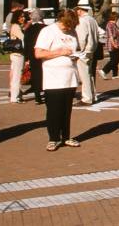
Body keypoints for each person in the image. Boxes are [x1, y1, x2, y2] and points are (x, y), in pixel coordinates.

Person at [34, 9, 82, 151]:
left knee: (67, 109)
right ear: (61, 21)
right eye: (67, 26)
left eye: (71, 26)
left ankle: (66, 136)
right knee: (54, 109)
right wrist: (59, 52)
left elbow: (75, 48)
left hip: (70, 76)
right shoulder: (48, 31)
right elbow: (38, 53)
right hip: (54, 77)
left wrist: (76, 55)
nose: (68, 29)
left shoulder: (72, 32)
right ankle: (53, 138)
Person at [74, 0, 99, 105]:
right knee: (89, 74)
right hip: (92, 49)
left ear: (79, 10)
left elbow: (82, 38)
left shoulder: (82, 20)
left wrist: (78, 50)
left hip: (84, 51)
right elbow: (97, 34)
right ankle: (93, 95)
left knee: (84, 75)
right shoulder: (92, 20)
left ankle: (87, 98)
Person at [23, 9, 45, 105]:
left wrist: (26, 58)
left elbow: (26, 44)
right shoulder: (46, 28)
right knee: (45, 74)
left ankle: (37, 97)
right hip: (44, 53)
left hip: (32, 54)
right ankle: (47, 94)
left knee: (35, 75)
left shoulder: (28, 29)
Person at [99, 12, 119, 80]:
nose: (118, 19)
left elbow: (117, 33)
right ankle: (103, 71)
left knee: (116, 60)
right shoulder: (110, 25)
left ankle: (115, 75)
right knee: (113, 60)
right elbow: (110, 36)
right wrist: (114, 44)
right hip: (113, 45)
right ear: (115, 17)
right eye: (117, 17)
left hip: (118, 44)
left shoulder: (114, 25)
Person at [8, 10, 27, 102]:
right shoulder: (16, 27)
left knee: (16, 75)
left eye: (23, 16)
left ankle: (16, 95)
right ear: (17, 17)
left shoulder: (17, 26)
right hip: (17, 54)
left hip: (16, 54)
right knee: (17, 75)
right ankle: (15, 97)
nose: (23, 18)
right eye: (21, 16)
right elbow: (23, 38)